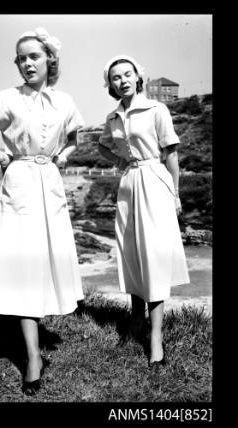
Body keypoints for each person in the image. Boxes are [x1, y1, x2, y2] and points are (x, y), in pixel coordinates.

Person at [0, 27, 85, 394]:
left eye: (33, 56)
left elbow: (74, 137)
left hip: (48, 183)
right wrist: (3, 156)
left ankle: (34, 345)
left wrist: (61, 157)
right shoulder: (7, 98)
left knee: (43, 260)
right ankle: (32, 356)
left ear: (50, 59)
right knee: (23, 263)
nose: (27, 63)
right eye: (21, 58)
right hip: (18, 182)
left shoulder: (65, 101)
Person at [98, 55, 190, 367]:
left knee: (152, 256)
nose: (122, 80)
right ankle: (135, 320)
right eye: (115, 77)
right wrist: (120, 160)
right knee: (132, 253)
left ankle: (156, 338)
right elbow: (102, 145)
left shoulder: (156, 109)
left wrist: (174, 193)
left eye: (127, 74)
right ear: (110, 84)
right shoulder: (113, 117)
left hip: (154, 182)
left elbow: (171, 153)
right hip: (128, 185)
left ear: (139, 77)